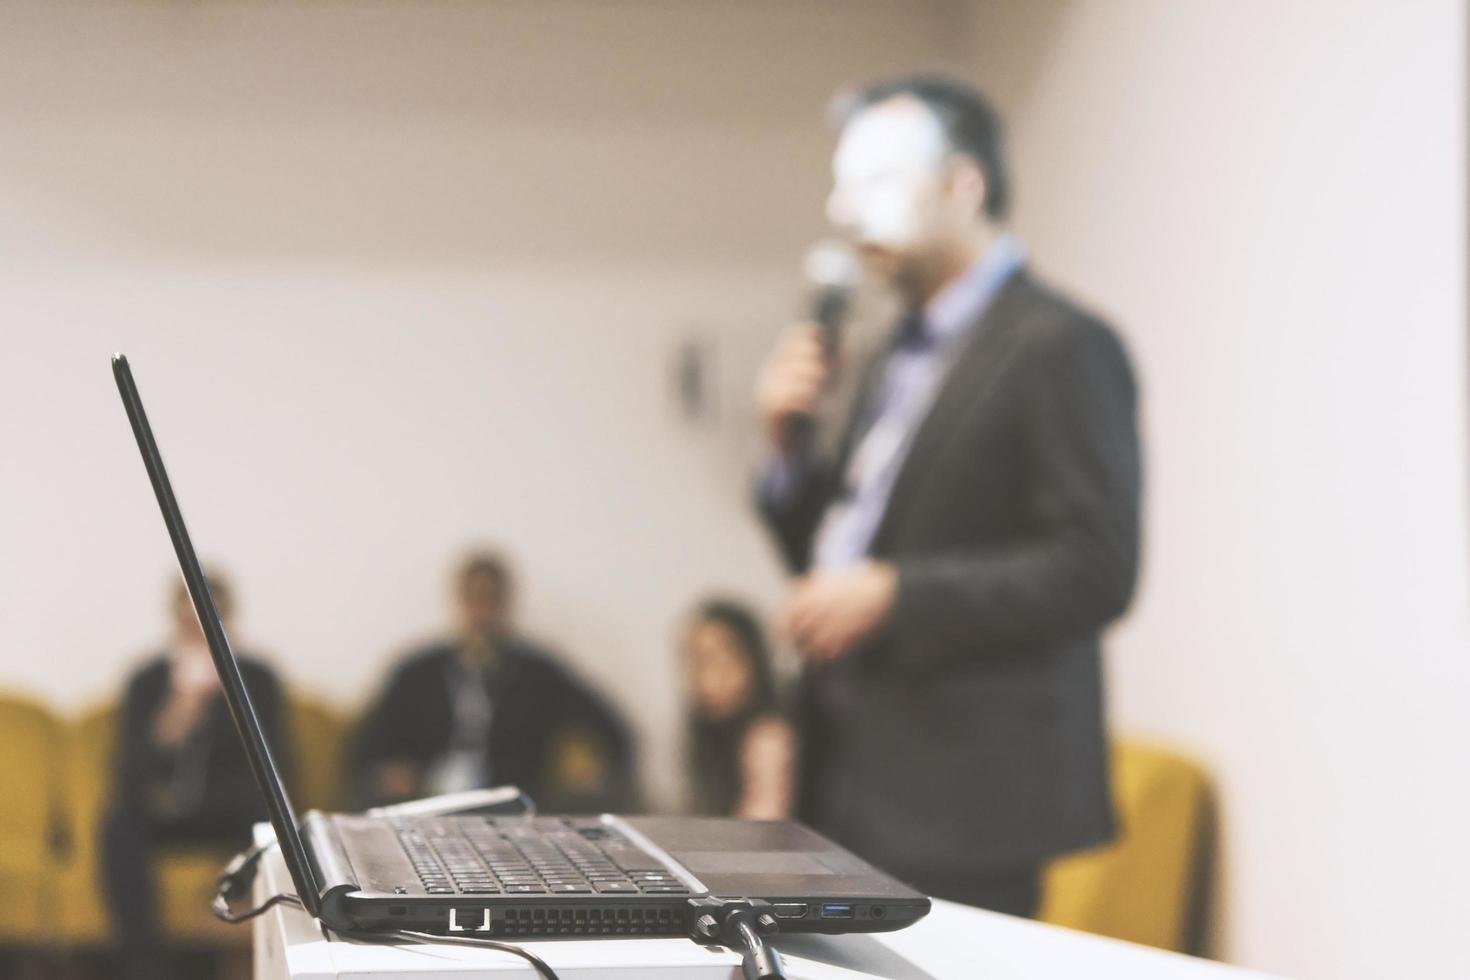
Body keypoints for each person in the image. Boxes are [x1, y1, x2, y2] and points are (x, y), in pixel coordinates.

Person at [755, 74, 1142, 916]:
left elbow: (1097, 567)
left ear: (964, 184)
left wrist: (897, 595)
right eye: (842, 186)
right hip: (850, 776)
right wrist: (786, 449)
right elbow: (834, 553)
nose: (846, 211)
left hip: (969, 799)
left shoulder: (1060, 344)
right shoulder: (893, 350)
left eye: (876, 182)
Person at [101, 572, 290, 980]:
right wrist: (178, 712)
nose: (198, 634)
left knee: (265, 818)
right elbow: (128, 770)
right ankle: (144, 964)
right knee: (118, 825)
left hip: (228, 807)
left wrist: (225, 695)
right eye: (189, 624)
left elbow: (274, 767)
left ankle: (243, 936)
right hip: (164, 809)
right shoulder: (147, 681)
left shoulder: (256, 679)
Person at [351, 550, 634, 813]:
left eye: (491, 599)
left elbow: (611, 729)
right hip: (429, 803)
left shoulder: (538, 674)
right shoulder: (417, 672)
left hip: (514, 807)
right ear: (459, 600)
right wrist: (391, 769)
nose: (482, 611)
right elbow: (367, 744)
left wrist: (591, 768)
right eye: (474, 598)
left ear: (505, 603)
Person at [682, 599, 795, 819]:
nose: (707, 680)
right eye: (696, 662)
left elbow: (761, 831)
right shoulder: (711, 737)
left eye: (719, 661)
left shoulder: (768, 737)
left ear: (753, 661)